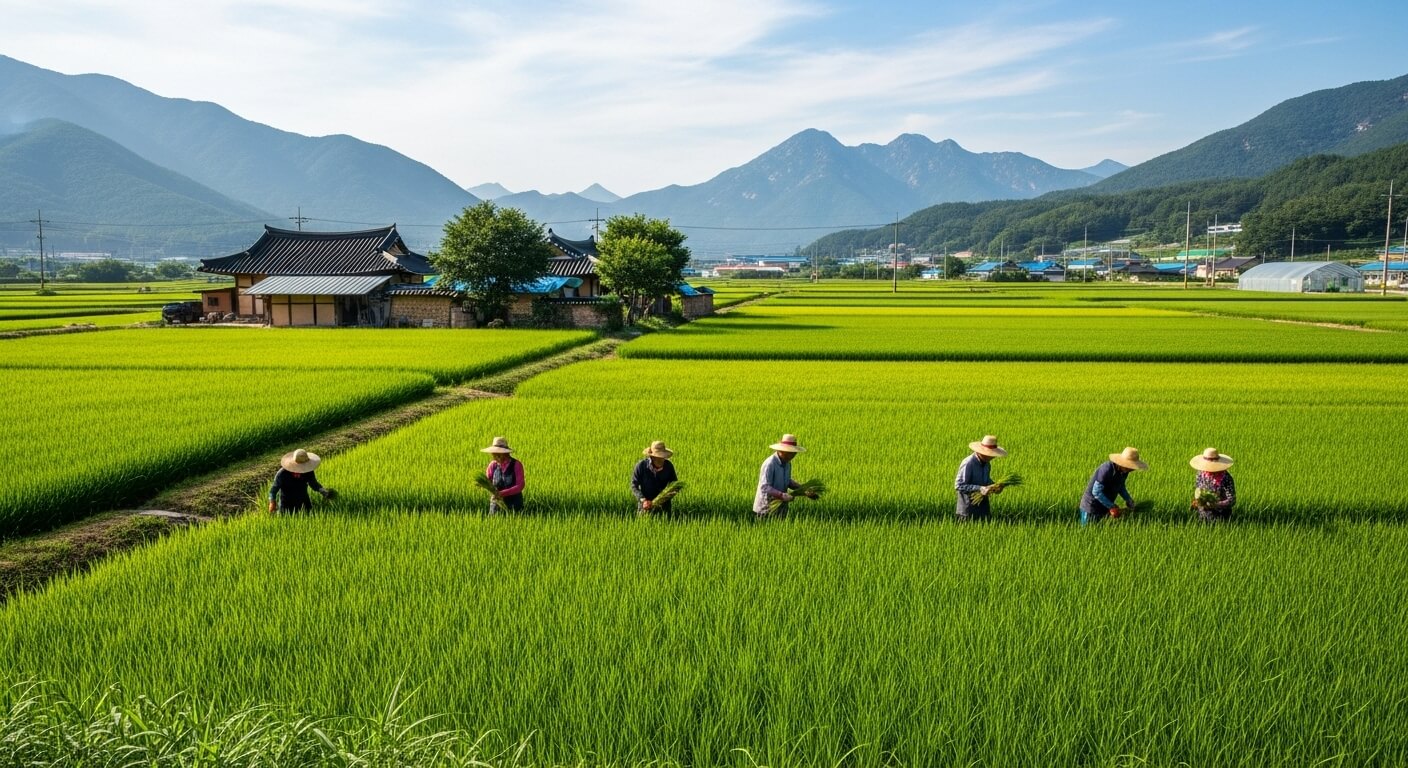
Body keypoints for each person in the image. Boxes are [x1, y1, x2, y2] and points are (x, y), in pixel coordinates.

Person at [1080, 446, 1148, 524]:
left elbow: (1120, 486)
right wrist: (1112, 507)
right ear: (1123, 463)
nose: (1132, 469)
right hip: (1090, 507)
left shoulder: (1124, 472)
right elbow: (1096, 491)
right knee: (1088, 532)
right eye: (1131, 466)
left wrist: (1128, 500)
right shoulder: (1107, 469)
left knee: (1098, 530)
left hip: (1104, 506)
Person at [753, 434, 813, 520]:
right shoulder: (770, 464)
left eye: (794, 453)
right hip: (765, 509)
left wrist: (803, 489)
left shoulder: (787, 463)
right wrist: (781, 495)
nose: (793, 456)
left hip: (781, 508)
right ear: (782, 451)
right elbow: (765, 487)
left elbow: (787, 481)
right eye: (791, 453)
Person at [954, 435, 1006, 522]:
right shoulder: (968, 463)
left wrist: (995, 486)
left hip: (983, 509)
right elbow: (959, 485)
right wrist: (980, 488)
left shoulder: (987, 464)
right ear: (981, 452)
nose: (993, 457)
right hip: (967, 511)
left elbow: (985, 481)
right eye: (990, 454)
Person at [268, 448, 334, 514]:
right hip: (286, 504)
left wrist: (323, 491)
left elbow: (314, 484)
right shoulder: (282, 474)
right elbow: (273, 491)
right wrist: (272, 502)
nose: (301, 470)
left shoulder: (308, 471)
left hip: (304, 502)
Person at [632, 440, 679, 514]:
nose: (661, 459)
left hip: (664, 508)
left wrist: (664, 497)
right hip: (645, 508)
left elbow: (675, 485)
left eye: (663, 457)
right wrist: (643, 500)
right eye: (658, 457)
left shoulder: (669, 466)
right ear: (652, 456)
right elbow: (634, 486)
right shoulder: (641, 466)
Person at [1190, 447, 1236, 522]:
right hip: (1202, 515)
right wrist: (1197, 501)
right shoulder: (1200, 474)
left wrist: (1216, 504)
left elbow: (1232, 500)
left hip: (1221, 517)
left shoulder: (1226, 478)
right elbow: (1198, 489)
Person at [481, 436, 524, 514]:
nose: (497, 456)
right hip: (496, 504)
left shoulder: (516, 465)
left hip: (514, 503)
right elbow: (488, 481)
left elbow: (520, 486)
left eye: (500, 453)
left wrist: (502, 493)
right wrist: (483, 484)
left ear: (507, 453)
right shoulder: (492, 466)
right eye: (494, 454)